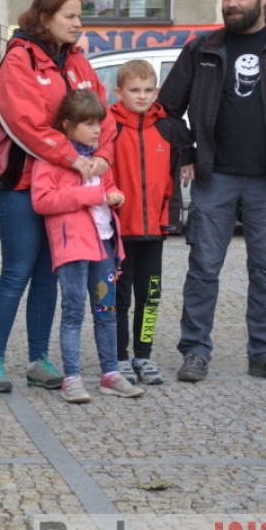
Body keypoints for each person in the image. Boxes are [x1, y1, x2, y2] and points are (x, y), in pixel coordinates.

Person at [158, 0, 266, 384]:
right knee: (203, 268)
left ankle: (264, 352)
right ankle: (195, 351)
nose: (232, 5)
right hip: (214, 179)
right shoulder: (202, 50)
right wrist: (188, 150)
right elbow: (166, 110)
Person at [0, 0, 117, 393]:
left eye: (80, 15)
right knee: (17, 270)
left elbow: (103, 118)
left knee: (48, 272)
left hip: (66, 186)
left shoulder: (76, 61)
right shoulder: (20, 58)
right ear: (45, 19)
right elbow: (24, 122)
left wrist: (104, 157)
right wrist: (73, 158)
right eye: (70, 16)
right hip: (22, 183)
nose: (79, 23)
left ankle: (38, 359)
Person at [32, 90, 143, 403]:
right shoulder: (53, 158)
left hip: (103, 245)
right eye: (89, 124)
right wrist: (93, 197)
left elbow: (107, 187)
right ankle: (72, 377)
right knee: (72, 312)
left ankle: (109, 373)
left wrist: (115, 193)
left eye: (99, 123)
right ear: (68, 125)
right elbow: (43, 201)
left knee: (105, 310)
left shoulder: (98, 160)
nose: (97, 130)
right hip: (73, 249)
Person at [109, 59, 191, 387]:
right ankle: (117, 356)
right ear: (119, 92)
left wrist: (169, 221)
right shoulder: (109, 127)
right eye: (134, 90)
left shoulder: (167, 128)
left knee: (151, 295)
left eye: (147, 90)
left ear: (156, 91)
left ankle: (143, 354)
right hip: (119, 233)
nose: (141, 96)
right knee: (119, 298)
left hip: (153, 233)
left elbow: (174, 179)